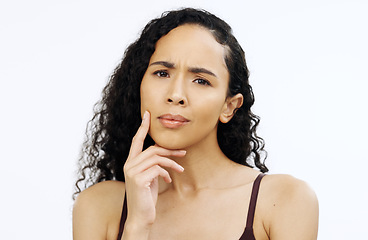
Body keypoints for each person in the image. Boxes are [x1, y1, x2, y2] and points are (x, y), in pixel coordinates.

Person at [72, 8, 319, 240]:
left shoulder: (285, 200)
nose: (175, 94)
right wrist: (137, 225)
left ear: (229, 106)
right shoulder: (99, 206)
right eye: (162, 73)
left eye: (201, 80)